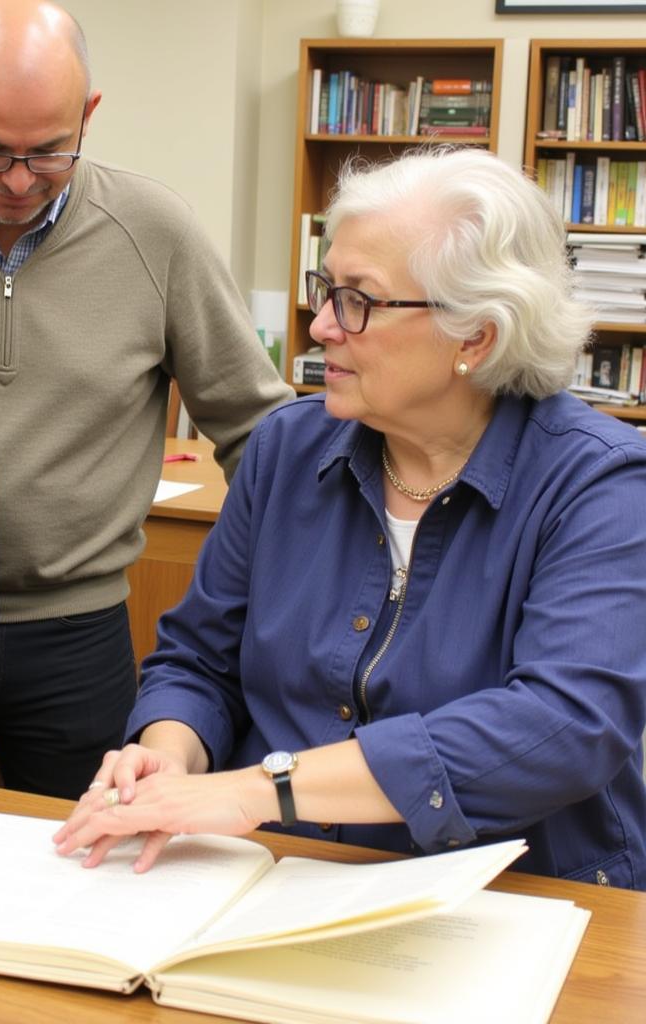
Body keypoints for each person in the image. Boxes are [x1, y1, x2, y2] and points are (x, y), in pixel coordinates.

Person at [53, 146, 646, 889]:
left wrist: (255, 789)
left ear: (476, 335)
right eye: (325, 289)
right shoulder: (285, 450)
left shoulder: (599, 483)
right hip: (280, 877)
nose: (323, 324)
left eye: (358, 300)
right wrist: (169, 754)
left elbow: (562, 727)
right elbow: (199, 661)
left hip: (509, 895)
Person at [0, 0, 294, 798]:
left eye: (48, 152)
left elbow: (257, 427)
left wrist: (283, 585)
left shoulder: (155, 230)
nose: (16, 180)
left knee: (95, 857)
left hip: (75, 629)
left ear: (89, 114)